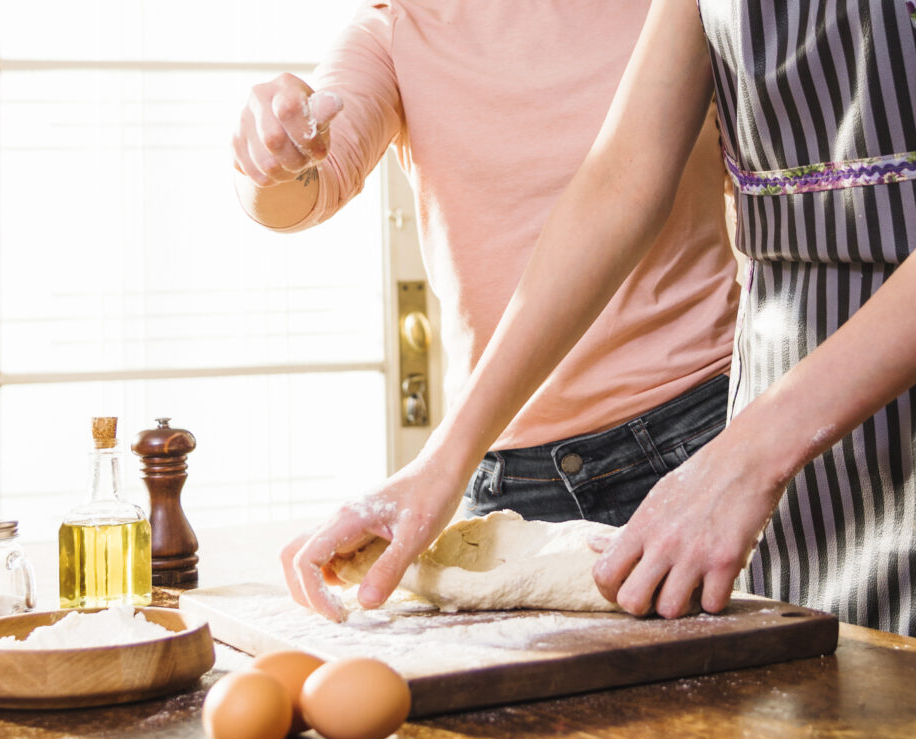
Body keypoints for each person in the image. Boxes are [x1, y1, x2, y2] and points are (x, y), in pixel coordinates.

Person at [283, 0, 916, 651]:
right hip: (784, 458)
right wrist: (443, 461)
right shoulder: (398, 29)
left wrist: (750, 455)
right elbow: (622, 180)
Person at [232, 1, 740, 534]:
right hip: (505, 478)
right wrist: (267, 162)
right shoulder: (396, 29)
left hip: (696, 435)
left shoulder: (677, 12)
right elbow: (311, 186)